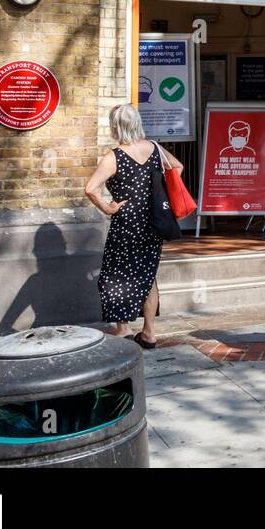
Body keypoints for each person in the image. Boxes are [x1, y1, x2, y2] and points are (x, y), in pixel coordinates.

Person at [84, 104, 183, 348]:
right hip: (152, 222)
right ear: (137, 123)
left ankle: (124, 329)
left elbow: (90, 188)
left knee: (116, 275)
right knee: (147, 277)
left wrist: (108, 208)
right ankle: (149, 334)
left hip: (126, 223)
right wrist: (160, 194)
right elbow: (178, 167)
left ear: (116, 126)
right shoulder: (156, 149)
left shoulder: (114, 156)